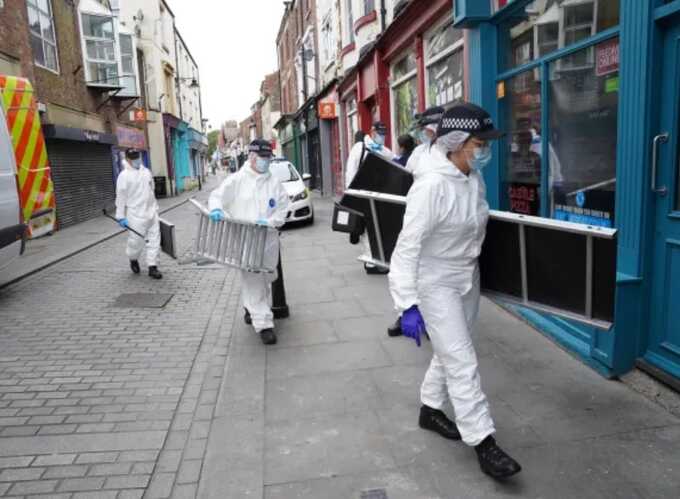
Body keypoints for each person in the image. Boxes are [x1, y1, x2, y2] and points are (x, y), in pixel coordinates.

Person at [388, 103, 522, 479]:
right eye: (480, 143)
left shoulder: (471, 179)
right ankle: (483, 442)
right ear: (457, 143)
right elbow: (406, 250)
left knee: (451, 351)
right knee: (462, 360)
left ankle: (430, 408)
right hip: (436, 283)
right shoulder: (430, 188)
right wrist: (407, 305)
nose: (486, 151)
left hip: (467, 276)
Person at [208, 139, 289, 345]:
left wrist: (271, 221)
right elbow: (217, 195)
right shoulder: (237, 180)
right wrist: (216, 208)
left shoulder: (273, 182)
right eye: (263, 158)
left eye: (268, 158)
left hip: (268, 241)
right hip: (246, 241)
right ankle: (264, 325)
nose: (266, 162)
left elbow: (283, 208)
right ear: (252, 157)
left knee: (267, 279)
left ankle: (250, 307)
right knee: (254, 283)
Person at [387, 106, 444, 337]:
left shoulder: (449, 153)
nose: (421, 134)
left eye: (424, 129)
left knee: (430, 275)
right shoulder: (420, 153)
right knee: (411, 266)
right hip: (415, 216)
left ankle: (432, 322)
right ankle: (406, 312)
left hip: (436, 224)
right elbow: (405, 179)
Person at [115, 149, 162, 280]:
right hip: (135, 214)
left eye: (138, 157)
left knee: (154, 240)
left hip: (151, 212)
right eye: (134, 158)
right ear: (128, 159)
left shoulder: (146, 172)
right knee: (136, 242)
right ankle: (133, 258)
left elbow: (151, 190)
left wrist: (155, 208)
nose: (137, 160)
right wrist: (120, 216)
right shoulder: (123, 176)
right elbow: (120, 197)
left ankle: (153, 266)